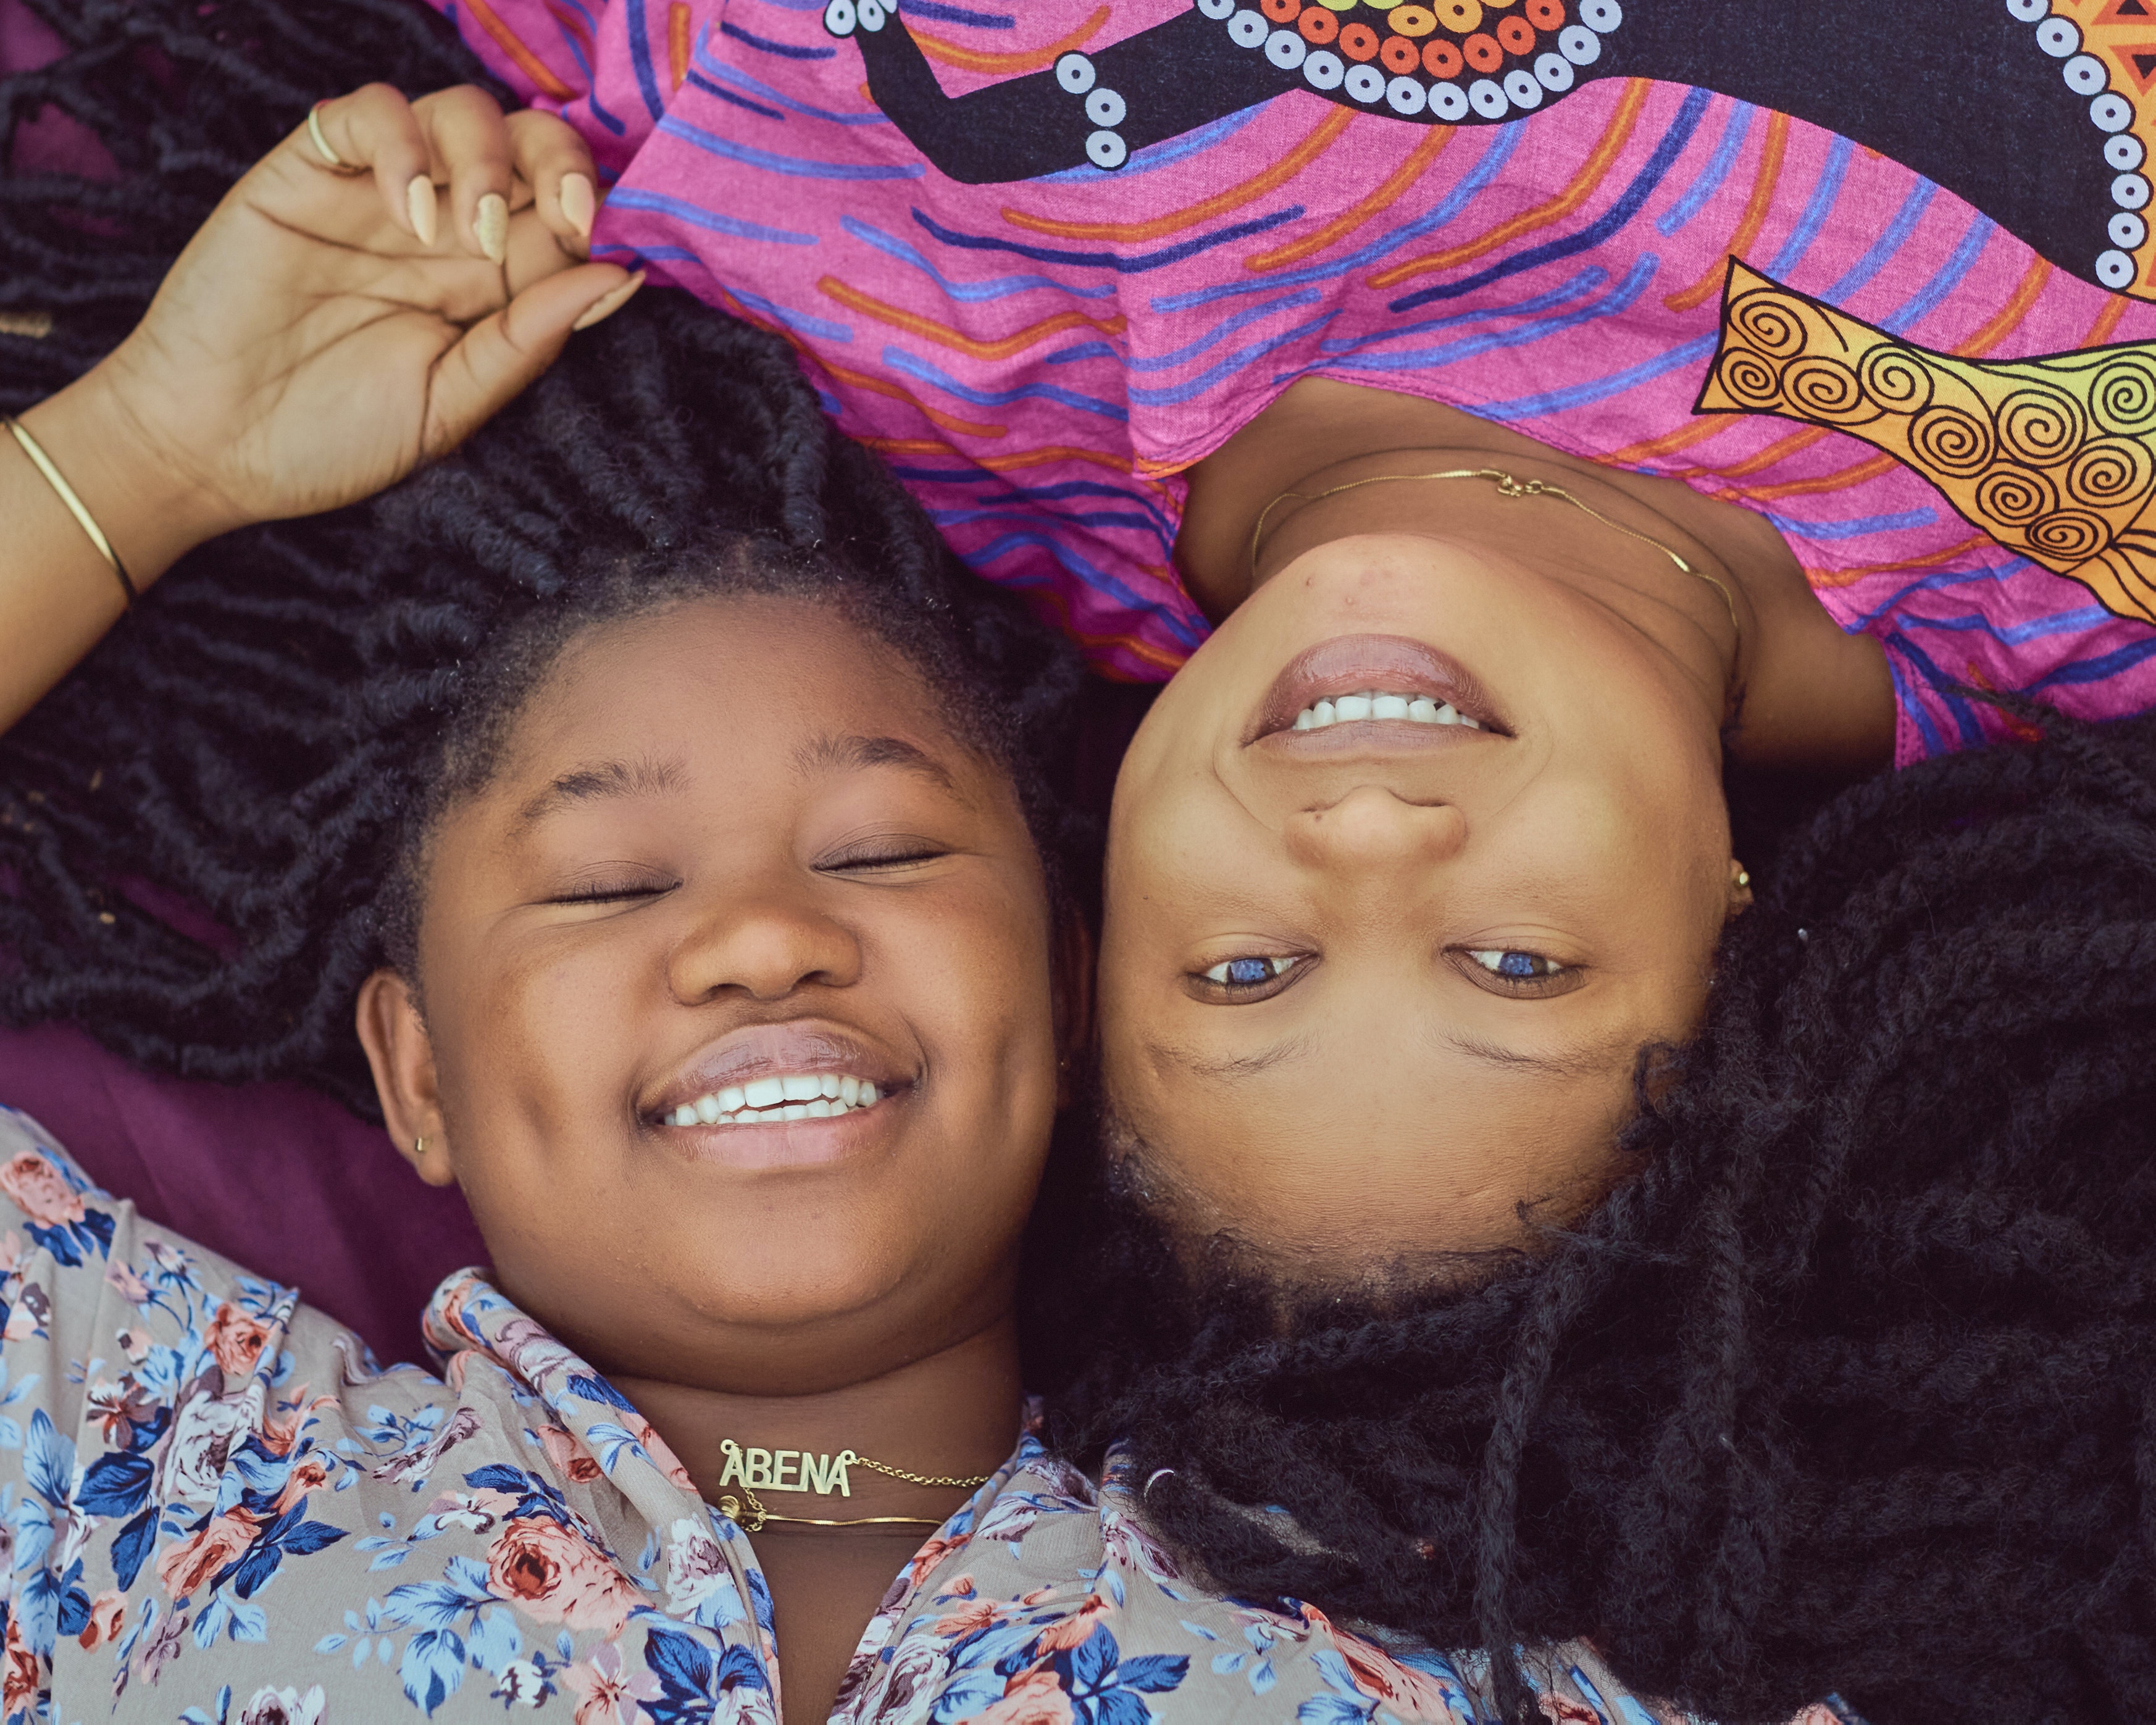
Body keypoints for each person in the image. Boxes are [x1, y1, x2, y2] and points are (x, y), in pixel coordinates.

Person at [0, 33, 1690, 1725]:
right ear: (418, 1072)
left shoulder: (1472, 1657)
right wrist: (153, 449)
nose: (760, 938)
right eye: (607, 884)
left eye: (883, 853)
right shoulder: (156, 1478)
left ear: (1068, 986)